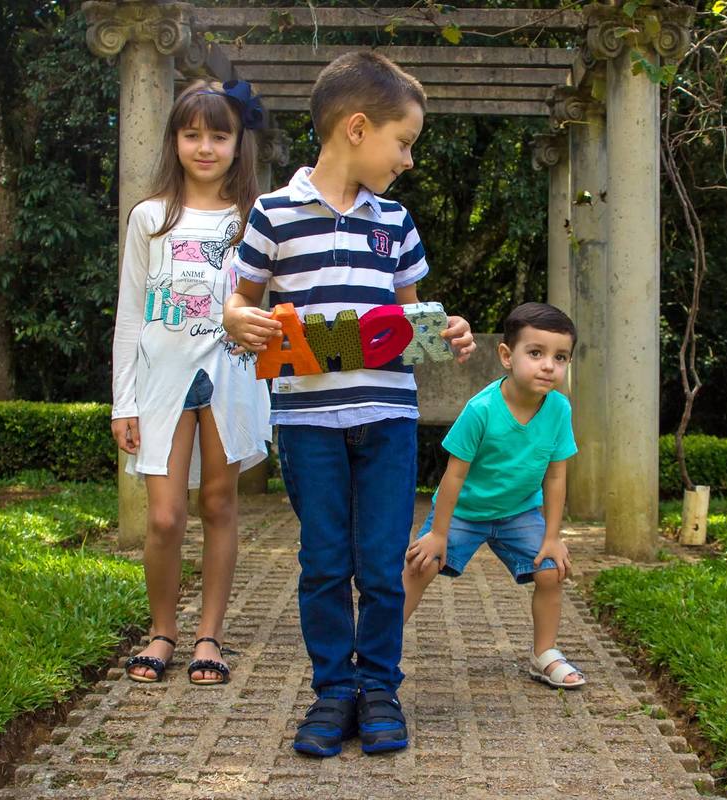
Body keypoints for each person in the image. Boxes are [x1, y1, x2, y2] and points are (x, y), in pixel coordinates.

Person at [223, 51, 475, 757]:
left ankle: (380, 688)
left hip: (388, 418)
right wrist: (239, 321)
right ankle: (334, 691)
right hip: (307, 425)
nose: (409, 159)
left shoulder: (396, 222)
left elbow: (409, 318)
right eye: (404, 142)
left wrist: (448, 331)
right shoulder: (273, 214)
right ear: (358, 129)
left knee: (383, 564)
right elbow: (239, 302)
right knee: (326, 563)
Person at [111, 79, 271, 687]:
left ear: (237, 143)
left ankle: (209, 636)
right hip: (162, 380)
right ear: (175, 140)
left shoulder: (254, 219)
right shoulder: (150, 218)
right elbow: (131, 314)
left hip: (231, 374)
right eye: (192, 134)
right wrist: (122, 402)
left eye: (219, 136)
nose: (205, 147)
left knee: (219, 504)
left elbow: (272, 304)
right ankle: (162, 631)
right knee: (164, 517)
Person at [404, 302, 586, 690]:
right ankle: (377, 650)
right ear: (507, 356)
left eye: (560, 357)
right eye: (535, 353)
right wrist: (438, 533)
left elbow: (556, 476)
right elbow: (453, 475)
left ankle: (544, 653)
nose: (548, 366)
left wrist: (553, 537)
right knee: (422, 563)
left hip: (518, 513)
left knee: (551, 570)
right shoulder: (482, 409)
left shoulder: (559, 409)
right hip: (464, 512)